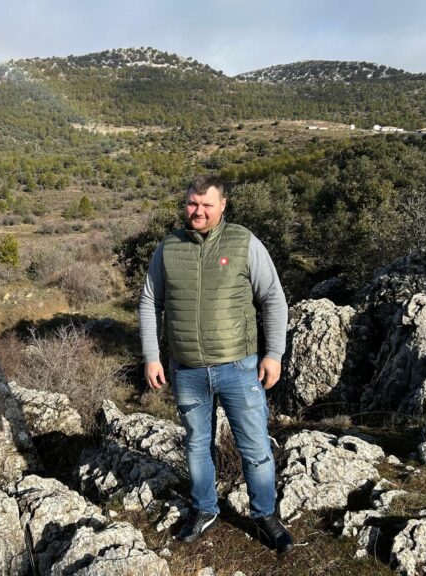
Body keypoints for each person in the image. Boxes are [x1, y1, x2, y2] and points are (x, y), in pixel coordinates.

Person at [138, 174, 293, 554]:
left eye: (207, 204)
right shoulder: (168, 248)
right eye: (193, 203)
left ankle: (264, 515)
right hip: (186, 369)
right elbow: (149, 301)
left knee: (254, 446)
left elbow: (272, 297)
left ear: (223, 205)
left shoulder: (243, 242)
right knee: (196, 445)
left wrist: (274, 354)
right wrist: (152, 356)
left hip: (238, 367)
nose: (199, 211)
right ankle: (204, 508)